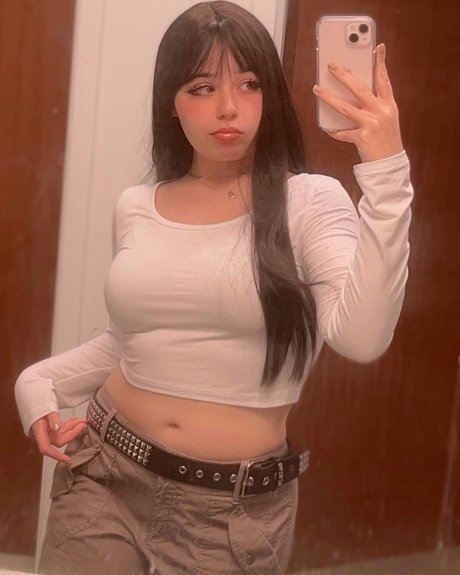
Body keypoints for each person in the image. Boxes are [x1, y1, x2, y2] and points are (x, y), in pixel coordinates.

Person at [15, 2, 413, 574]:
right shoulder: (137, 205)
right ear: (171, 101)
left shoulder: (309, 202)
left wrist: (387, 172)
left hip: (231, 512)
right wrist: (38, 383)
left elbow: (362, 337)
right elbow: (135, 341)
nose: (228, 107)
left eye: (249, 84)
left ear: (271, 95)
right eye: (202, 88)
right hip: (104, 471)